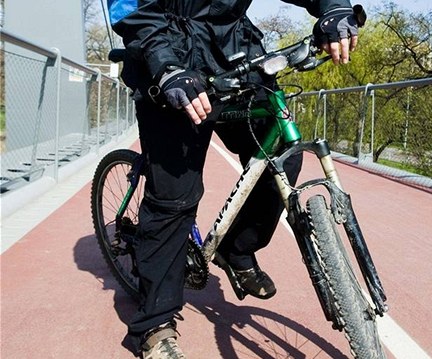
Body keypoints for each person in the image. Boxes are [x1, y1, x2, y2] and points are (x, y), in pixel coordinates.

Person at [106, 0, 364, 357]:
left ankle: (236, 250)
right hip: (166, 59)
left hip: (235, 55)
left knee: (282, 159)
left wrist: (332, 8)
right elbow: (127, 7)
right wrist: (165, 65)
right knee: (175, 197)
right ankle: (155, 323)